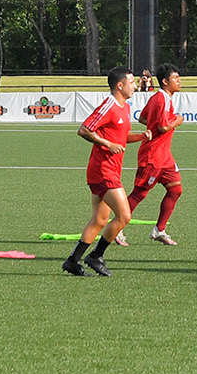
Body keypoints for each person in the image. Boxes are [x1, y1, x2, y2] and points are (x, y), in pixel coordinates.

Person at [62, 67, 149, 276]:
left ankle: (73, 261)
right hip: (102, 171)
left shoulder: (124, 108)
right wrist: (107, 144)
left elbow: (121, 135)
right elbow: (84, 129)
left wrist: (140, 137)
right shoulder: (108, 105)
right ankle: (96, 256)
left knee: (100, 220)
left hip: (111, 170)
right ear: (120, 85)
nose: (135, 86)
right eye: (131, 82)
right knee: (124, 215)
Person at [126, 63, 185, 246]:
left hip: (164, 156)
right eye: (175, 78)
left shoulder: (158, 98)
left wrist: (157, 127)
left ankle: (159, 230)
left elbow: (142, 118)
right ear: (165, 81)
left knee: (175, 190)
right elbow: (163, 127)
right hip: (152, 156)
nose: (179, 81)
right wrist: (177, 121)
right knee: (139, 194)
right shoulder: (161, 99)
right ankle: (117, 228)